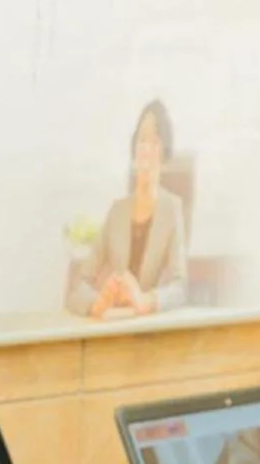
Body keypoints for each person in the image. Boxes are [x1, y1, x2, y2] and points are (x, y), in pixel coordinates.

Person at [67, 100, 188, 319]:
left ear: (165, 152)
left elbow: (180, 289)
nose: (145, 149)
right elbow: (78, 285)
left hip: (151, 328)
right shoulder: (117, 211)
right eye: (141, 140)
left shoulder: (172, 209)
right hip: (116, 324)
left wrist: (146, 300)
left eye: (154, 141)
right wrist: (97, 303)